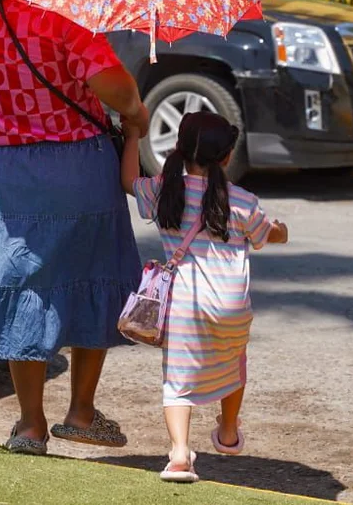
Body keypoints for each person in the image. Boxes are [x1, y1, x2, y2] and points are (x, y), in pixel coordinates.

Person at [0, 0, 150, 455]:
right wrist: (137, 114)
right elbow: (119, 92)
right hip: (75, 167)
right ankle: (81, 411)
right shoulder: (65, 20)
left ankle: (30, 424)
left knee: (21, 284)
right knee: (91, 276)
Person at [121, 111, 289, 483]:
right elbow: (267, 235)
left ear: (180, 148)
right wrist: (281, 231)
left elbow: (129, 181)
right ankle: (228, 431)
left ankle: (180, 454)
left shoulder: (165, 190)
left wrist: (132, 135)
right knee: (234, 362)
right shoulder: (242, 200)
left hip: (182, 307)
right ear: (227, 156)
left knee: (177, 381)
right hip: (231, 306)